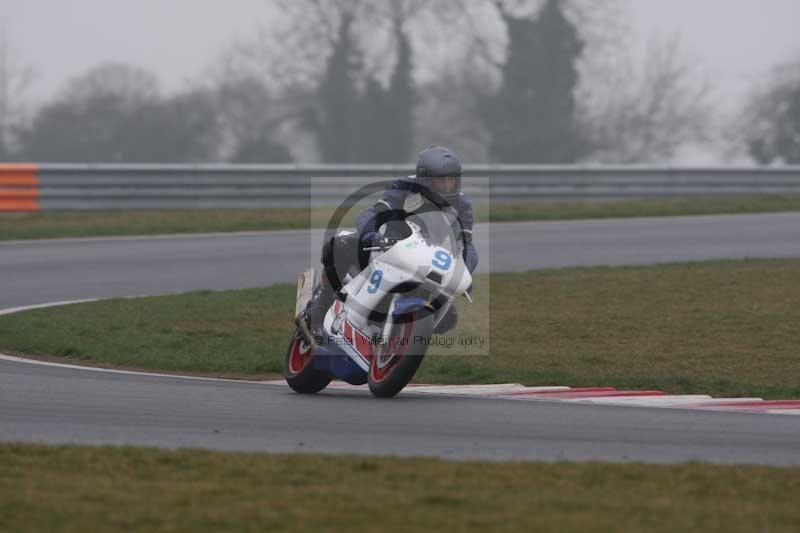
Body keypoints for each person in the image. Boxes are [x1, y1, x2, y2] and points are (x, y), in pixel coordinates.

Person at [296, 146, 479, 341]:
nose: (448, 186)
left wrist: (463, 274)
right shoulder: (404, 187)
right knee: (342, 244)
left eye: (452, 180)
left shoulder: (462, 205)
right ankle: (317, 310)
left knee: (448, 317)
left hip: (426, 264)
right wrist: (371, 234)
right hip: (388, 250)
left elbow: (467, 247)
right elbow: (372, 213)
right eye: (441, 181)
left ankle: (400, 343)